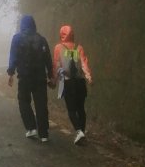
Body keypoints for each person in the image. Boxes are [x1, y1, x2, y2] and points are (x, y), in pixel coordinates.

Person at [7, 14, 55, 142]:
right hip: (40, 78)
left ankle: (31, 128)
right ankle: (44, 134)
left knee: (24, 101)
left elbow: (13, 57)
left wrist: (11, 73)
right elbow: (48, 60)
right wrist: (51, 76)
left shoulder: (17, 39)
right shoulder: (42, 40)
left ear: (22, 25)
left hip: (25, 77)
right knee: (41, 105)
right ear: (34, 25)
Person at [52, 25, 93, 144]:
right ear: (72, 34)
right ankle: (82, 133)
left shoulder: (58, 48)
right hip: (80, 82)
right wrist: (89, 78)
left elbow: (56, 66)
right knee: (81, 109)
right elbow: (84, 64)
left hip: (68, 82)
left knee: (71, 109)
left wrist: (54, 81)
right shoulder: (78, 47)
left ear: (61, 34)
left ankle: (79, 132)